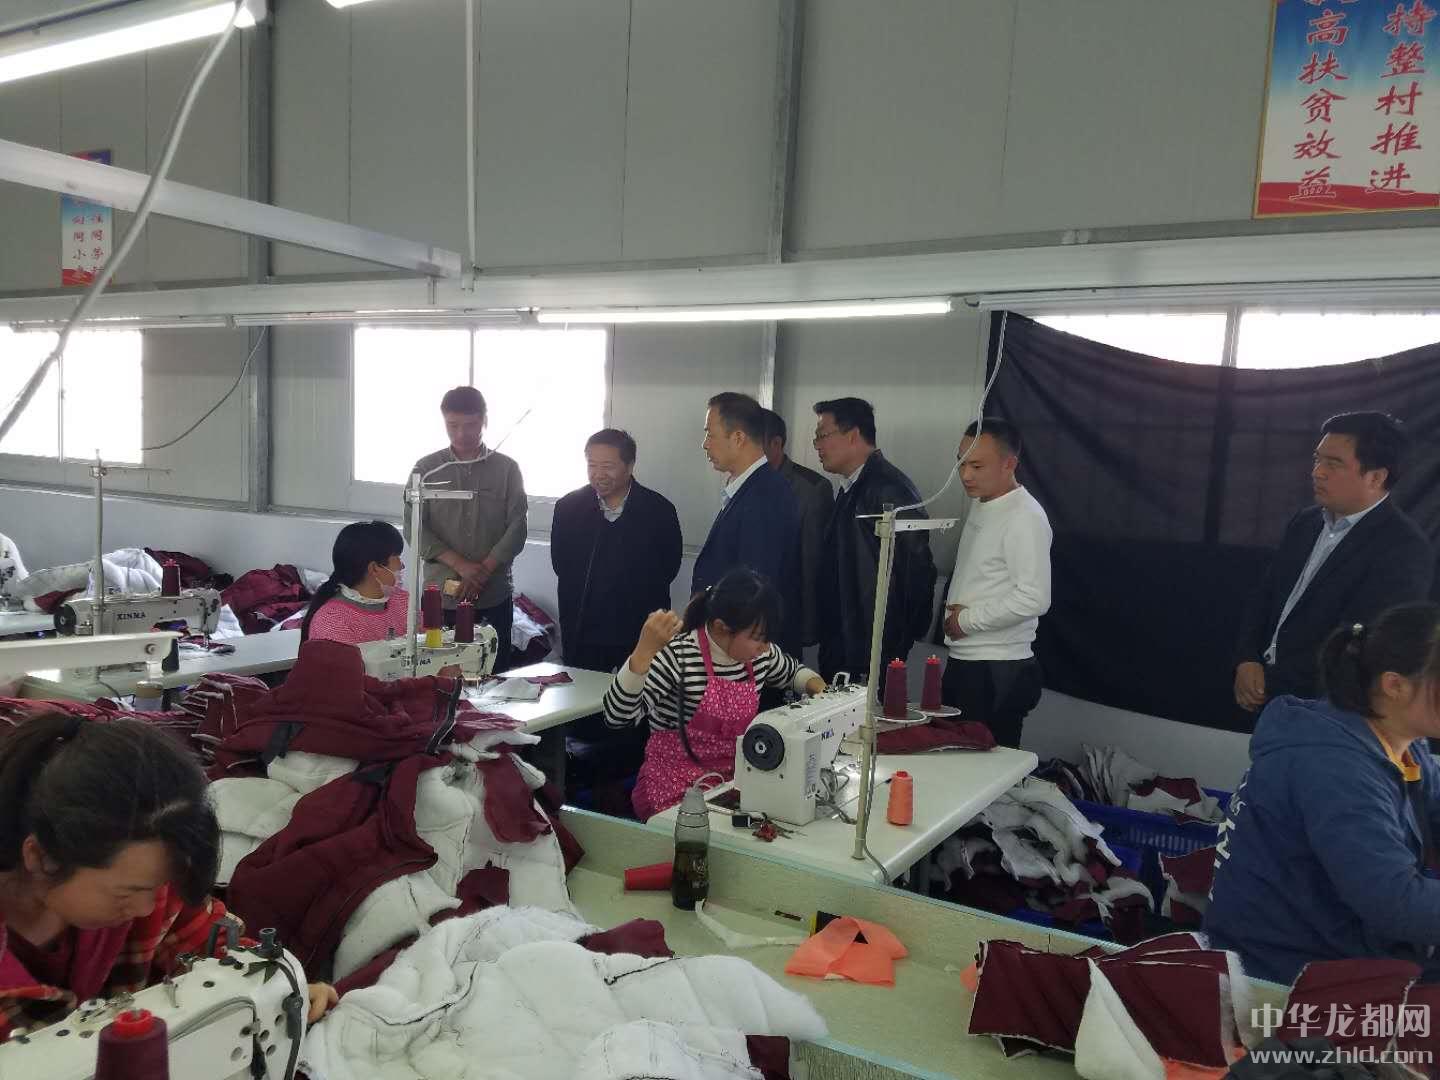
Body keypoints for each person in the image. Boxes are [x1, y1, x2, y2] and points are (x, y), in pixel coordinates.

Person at [0, 714, 336, 1041]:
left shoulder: (152, 893)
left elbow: (216, 947)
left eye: (158, 885)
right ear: (42, 857)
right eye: (125, 893)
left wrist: (279, 986)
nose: (146, 908)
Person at [1206, 603, 1440, 985]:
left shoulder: (1403, 744)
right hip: (1280, 974)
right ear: (1395, 685)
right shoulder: (1335, 767)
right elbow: (1394, 902)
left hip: (1343, 939)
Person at [1234, 412, 1434, 712]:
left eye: (1334, 464)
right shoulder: (1305, 522)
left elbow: (1362, 643)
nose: (1317, 472)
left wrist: (1272, 682)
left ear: (1376, 477)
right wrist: (1246, 658)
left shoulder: (1403, 548)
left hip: (1323, 708)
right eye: (1318, 459)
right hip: (1262, 691)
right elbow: (1266, 594)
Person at [602, 568, 825, 821]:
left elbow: (794, 673)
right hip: (672, 790)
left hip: (730, 785)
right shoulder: (679, 657)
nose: (765, 648)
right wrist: (643, 653)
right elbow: (616, 716)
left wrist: (820, 689)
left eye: (768, 639)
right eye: (757, 638)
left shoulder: (760, 656)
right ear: (721, 627)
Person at [942, 419, 1052, 749]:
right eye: (961, 463)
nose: (965, 475)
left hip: (996, 668)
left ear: (1009, 464)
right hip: (968, 660)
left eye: (977, 466)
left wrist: (965, 620)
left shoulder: (1025, 517)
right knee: (955, 759)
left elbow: (1034, 598)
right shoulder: (984, 502)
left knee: (985, 768)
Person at [812, 396, 937, 685]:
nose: (816, 445)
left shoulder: (887, 489)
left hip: (869, 646)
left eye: (822, 435)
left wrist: (896, 641)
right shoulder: (852, 486)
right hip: (846, 638)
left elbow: (917, 570)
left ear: (853, 435)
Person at [409, 386, 528, 671]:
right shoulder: (426, 469)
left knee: (494, 672)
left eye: (471, 425)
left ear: (485, 420)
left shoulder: (507, 469)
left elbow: (517, 526)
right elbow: (414, 527)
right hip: (441, 597)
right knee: (438, 673)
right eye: (453, 425)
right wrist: (462, 566)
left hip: (493, 592)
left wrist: (483, 570)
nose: (461, 433)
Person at [550, 429, 683, 674]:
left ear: (629, 466)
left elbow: (669, 568)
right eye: (592, 465)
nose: (598, 474)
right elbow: (561, 565)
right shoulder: (568, 508)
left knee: (639, 693)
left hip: (640, 630)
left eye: (608, 466)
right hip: (583, 628)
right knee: (582, 694)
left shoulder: (659, 510)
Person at [693, 392, 801, 651]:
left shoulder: (765, 494)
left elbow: (755, 587)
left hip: (743, 650)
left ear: (738, 438)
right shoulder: (748, 488)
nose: (705, 444)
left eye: (710, 434)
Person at [762, 409, 834, 650]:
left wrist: (808, 628)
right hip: (744, 616)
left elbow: (812, 563)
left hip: (785, 618)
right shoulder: (741, 482)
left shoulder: (811, 489)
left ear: (776, 443)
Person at [301, 520, 408, 644]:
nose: (402, 565)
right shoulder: (332, 622)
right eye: (397, 557)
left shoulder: (402, 601)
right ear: (374, 568)